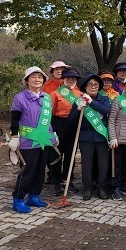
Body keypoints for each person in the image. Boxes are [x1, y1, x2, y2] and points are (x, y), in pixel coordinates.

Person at [9, 66, 58, 213]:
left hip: (44, 140)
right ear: (27, 81)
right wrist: (14, 137)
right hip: (27, 141)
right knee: (28, 170)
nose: (37, 80)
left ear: (43, 80)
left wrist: (53, 134)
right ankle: (18, 199)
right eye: (33, 77)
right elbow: (14, 120)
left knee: (40, 170)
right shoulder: (20, 98)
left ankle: (34, 196)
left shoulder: (47, 98)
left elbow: (50, 119)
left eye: (40, 77)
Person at [67, 74, 111, 201]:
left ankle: (101, 187)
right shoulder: (78, 100)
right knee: (87, 164)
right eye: (90, 84)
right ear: (85, 87)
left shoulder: (104, 99)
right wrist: (78, 108)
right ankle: (87, 187)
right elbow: (70, 120)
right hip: (86, 137)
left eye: (96, 84)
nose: (93, 86)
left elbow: (106, 110)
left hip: (101, 136)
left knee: (103, 164)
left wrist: (91, 102)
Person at [49, 67, 83, 196]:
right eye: (68, 77)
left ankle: (67, 180)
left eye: (73, 78)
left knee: (71, 154)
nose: (70, 80)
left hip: (73, 126)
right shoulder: (55, 93)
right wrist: (52, 131)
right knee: (56, 154)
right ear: (63, 79)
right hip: (59, 124)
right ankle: (56, 182)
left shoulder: (80, 94)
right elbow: (50, 114)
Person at [108, 76, 126, 201]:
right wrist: (112, 137)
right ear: (124, 87)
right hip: (119, 139)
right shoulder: (118, 100)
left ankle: (122, 184)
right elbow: (111, 120)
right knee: (117, 165)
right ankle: (114, 187)